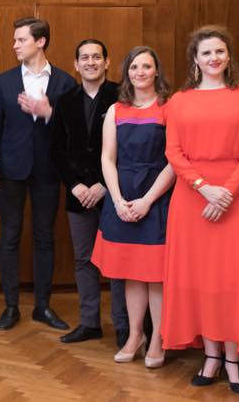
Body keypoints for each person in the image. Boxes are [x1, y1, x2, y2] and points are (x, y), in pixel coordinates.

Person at [162, 26, 239, 396]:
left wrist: (225, 192)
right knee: (200, 280)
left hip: (236, 197)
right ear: (195, 60)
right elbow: (173, 151)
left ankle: (233, 359)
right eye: (206, 53)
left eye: (219, 51)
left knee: (231, 280)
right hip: (192, 199)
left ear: (228, 56)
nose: (214, 58)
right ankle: (211, 356)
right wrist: (203, 187)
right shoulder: (178, 101)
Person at [0, 16, 76, 331]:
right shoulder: (3, 81)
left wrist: (48, 113)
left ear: (40, 41)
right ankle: (10, 307)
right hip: (10, 169)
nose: (15, 45)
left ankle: (43, 307)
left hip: (48, 170)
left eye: (21, 39)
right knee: (9, 236)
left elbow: (73, 132)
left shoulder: (65, 82)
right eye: (15, 40)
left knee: (44, 237)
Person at [90, 46, 174, 369]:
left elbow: (174, 161)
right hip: (122, 196)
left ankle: (158, 338)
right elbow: (107, 158)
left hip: (157, 195)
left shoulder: (169, 107)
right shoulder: (115, 110)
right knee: (131, 273)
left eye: (146, 66)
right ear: (127, 72)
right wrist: (116, 200)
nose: (140, 72)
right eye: (134, 67)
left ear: (156, 71)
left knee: (156, 274)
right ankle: (135, 335)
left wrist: (148, 200)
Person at [49, 40, 128, 345]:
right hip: (78, 194)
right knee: (84, 260)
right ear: (76, 64)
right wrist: (75, 185)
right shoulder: (64, 100)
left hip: (114, 193)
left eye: (97, 57)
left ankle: (123, 326)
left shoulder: (122, 96)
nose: (91, 62)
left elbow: (129, 149)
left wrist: (104, 186)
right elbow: (56, 150)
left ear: (106, 62)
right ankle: (90, 322)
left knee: (118, 262)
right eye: (85, 57)